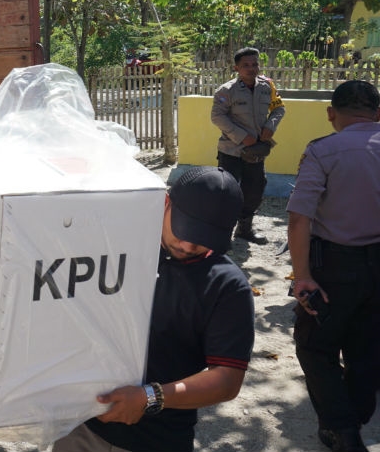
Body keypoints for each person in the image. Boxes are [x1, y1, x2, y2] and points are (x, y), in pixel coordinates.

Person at [52, 166, 255, 452]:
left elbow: (227, 380)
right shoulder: (116, 246)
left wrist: (150, 397)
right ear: (165, 203)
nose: (188, 243)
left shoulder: (227, 287)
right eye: (184, 228)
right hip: (80, 427)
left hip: (158, 440)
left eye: (204, 237)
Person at [286, 80, 380, 452]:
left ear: (331, 114)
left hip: (335, 269)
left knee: (315, 347)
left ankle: (342, 431)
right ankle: (356, 416)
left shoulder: (323, 151)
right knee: (367, 346)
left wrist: (303, 276)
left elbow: (298, 218)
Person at [211, 46, 286, 244]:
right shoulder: (226, 91)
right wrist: (242, 136)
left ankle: (244, 230)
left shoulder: (267, 86)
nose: (252, 68)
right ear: (236, 68)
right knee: (228, 192)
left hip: (256, 151)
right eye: (246, 65)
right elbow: (217, 116)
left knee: (254, 190)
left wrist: (271, 126)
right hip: (231, 150)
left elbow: (279, 108)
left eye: (255, 64)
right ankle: (222, 235)